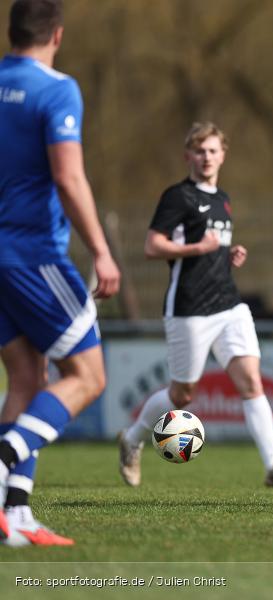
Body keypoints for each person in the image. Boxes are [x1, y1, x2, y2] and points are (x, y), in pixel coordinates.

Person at [117, 122, 273, 488]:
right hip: (189, 307)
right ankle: (133, 437)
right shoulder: (178, 197)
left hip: (229, 304)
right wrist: (197, 250)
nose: (206, 157)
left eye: (213, 150)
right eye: (200, 151)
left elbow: (210, 247)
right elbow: (153, 246)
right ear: (189, 155)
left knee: (251, 381)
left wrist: (226, 254)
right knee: (182, 395)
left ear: (223, 155)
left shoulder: (223, 199)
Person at [0, 0, 121, 546]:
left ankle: (15, 517)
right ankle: (2, 462)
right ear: (57, 34)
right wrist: (100, 249)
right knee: (89, 376)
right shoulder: (56, 88)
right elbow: (69, 178)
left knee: (27, 378)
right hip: (33, 256)